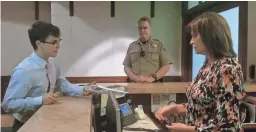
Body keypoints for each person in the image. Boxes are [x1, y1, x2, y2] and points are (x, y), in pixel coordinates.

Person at [155, 12, 246, 132]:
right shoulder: (207, 65)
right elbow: (204, 106)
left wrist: (187, 129)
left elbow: (229, 127)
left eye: (194, 36)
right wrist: (175, 108)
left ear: (211, 36)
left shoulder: (227, 70)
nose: (191, 41)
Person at [1, 21, 96, 132]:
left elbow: (60, 82)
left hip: (47, 119)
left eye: (59, 41)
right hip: (26, 125)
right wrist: (40, 100)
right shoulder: (24, 70)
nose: (58, 46)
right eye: (53, 42)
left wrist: (81, 90)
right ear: (39, 43)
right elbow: (8, 104)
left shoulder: (52, 63)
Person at [123, 16, 172, 83]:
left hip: (154, 87)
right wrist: (134, 78)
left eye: (145, 28)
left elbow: (166, 66)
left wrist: (152, 78)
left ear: (150, 29)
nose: (142, 30)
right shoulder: (132, 46)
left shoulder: (159, 45)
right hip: (135, 86)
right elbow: (126, 67)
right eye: (140, 28)